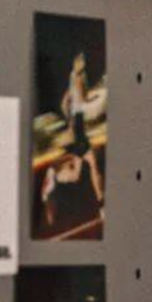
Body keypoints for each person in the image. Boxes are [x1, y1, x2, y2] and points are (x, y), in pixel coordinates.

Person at [39, 53, 104, 229]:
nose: (82, 64)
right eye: (80, 61)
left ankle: (53, 174)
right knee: (93, 165)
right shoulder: (77, 77)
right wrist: (91, 99)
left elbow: (65, 102)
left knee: (76, 174)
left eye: (82, 61)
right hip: (78, 126)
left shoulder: (72, 77)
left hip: (77, 124)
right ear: (77, 63)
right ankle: (102, 205)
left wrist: (70, 118)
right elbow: (80, 99)